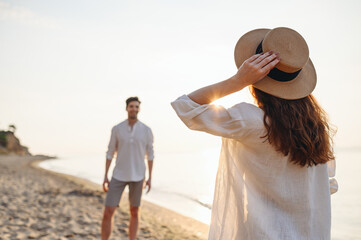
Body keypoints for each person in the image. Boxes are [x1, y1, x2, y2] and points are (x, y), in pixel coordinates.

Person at [171, 27, 338, 240]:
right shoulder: (315, 128)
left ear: (256, 80)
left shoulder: (252, 121)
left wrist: (237, 81)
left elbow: (185, 107)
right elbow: (328, 185)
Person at [101, 96, 154, 240]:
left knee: (135, 211)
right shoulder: (117, 129)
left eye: (136, 106)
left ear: (139, 109)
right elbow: (110, 152)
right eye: (131, 106)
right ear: (126, 108)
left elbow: (150, 155)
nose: (134, 109)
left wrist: (149, 178)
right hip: (118, 175)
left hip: (138, 176)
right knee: (108, 211)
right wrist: (106, 176)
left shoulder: (146, 130)